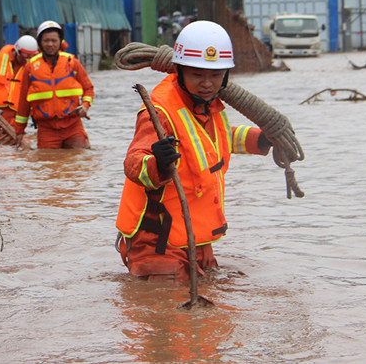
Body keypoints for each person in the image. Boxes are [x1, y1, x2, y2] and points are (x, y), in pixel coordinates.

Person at [115, 20, 272, 282]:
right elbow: (133, 162)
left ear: (226, 76)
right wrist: (158, 164)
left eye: (215, 75)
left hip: (191, 236)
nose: (207, 84)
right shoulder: (160, 111)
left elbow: (221, 139)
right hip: (157, 240)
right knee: (174, 314)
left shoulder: (210, 107)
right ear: (179, 71)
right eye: (198, 75)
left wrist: (263, 140)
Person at [13, 21, 94, 149]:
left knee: (81, 162)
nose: (50, 44)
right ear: (40, 42)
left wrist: (85, 106)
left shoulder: (72, 62)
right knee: (48, 165)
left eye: (54, 40)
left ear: (60, 42)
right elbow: (23, 101)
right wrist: (19, 131)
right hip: (46, 129)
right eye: (46, 40)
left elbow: (88, 89)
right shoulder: (31, 67)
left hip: (73, 126)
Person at [0, 35, 38, 126]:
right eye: (24, 56)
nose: (26, 59)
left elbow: (34, 92)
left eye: (30, 56)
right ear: (17, 51)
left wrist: (34, 113)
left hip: (15, 115)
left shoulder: (32, 67)